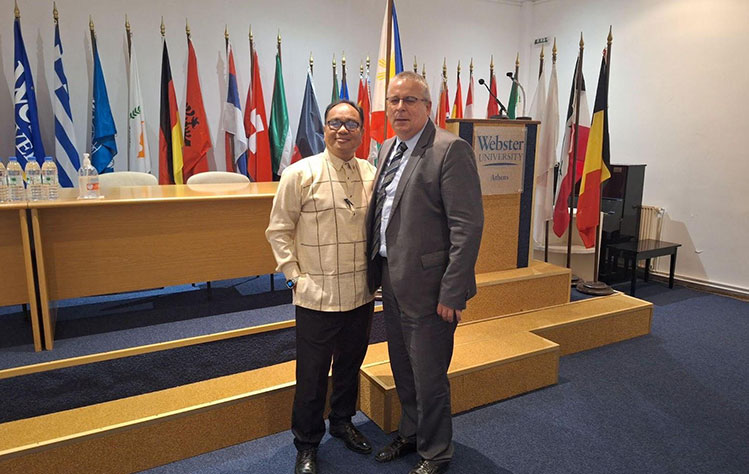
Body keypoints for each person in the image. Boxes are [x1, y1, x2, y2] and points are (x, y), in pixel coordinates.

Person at [366, 72, 484, 474]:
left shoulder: (451, 150)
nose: (400, 108)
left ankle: (436, 452)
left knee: (429, 375)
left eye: (410, 100)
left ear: (428, 107)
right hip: (392, 279)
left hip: (432, 288)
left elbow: (466, 227)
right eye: (394, 100)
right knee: (403, 367)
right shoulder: (387, 149)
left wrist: (452, 292)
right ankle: (411, 432)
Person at [266, 100, 377, 474]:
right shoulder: (300, 174)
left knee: (350, 364)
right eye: (335, 123)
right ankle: (307, 443)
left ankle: (343, 421)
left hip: (360, 292)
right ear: (324, 128)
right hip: (316, 294)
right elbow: (278, 230)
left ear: (362, 131)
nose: (343, 130)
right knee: (312, 375)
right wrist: (293, 276)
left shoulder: (371, 174)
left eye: (351, 123)